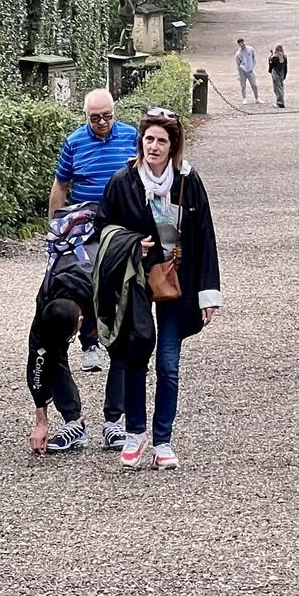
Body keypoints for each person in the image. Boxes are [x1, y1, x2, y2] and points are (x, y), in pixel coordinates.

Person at [94, 109, 221, 469]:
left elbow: (205, 235)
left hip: (179, 279)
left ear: (173, 145)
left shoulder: (188, 180)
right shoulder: (123, 180)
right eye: (148, 139)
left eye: (161, 140)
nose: (153, 146)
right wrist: (131, 243)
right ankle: (134, 434)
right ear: (141, 142)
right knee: (136, 355)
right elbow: (102, 227)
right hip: (136, 279)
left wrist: (208, 292)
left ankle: (163, 441)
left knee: (168, 365)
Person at [49, 89, 139, 370]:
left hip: (123, 219)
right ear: (85, 116)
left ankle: (123, 339)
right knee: (88, 280)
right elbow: (60, 185)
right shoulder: (74, 142)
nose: (101, 122)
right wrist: (55, 228)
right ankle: (90, 344)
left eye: (107, 116)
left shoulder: (131, 136)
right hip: (85, 222)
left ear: (115, 112)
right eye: (95, 117)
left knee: (124, 280)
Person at [26, 220, 94, 454]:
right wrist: (41, 421)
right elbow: (37, 360)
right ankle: (74, 423)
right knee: (51, 353)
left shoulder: (100, 289)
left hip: (94, 264)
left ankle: (114, 422)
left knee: (123, 352)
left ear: (81, 321)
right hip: (65, 282)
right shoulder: (44, 303)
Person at [234, 36, 260, 103]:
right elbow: (238, 64)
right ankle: (244, 98)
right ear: (239, 44)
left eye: (243, 42)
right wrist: (239, 74)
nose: (243, 44)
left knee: (254, 84)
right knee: (243, 85)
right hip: (242, 71)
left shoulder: (250, 49)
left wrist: (252, 66)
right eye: (241, 43)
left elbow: (253, 58)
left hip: (250, 70)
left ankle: (257, 98)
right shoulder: (238, 54)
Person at [268, 43, 289, 109]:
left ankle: (279, 102)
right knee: (281, 88)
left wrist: (270, 56)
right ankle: (281, 101)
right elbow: (285, 67)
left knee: (277, 89)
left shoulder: (275, 57)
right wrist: (285, 75)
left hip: (276, 74)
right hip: (282, 74)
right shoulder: (284, 57)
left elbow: (271, 65)